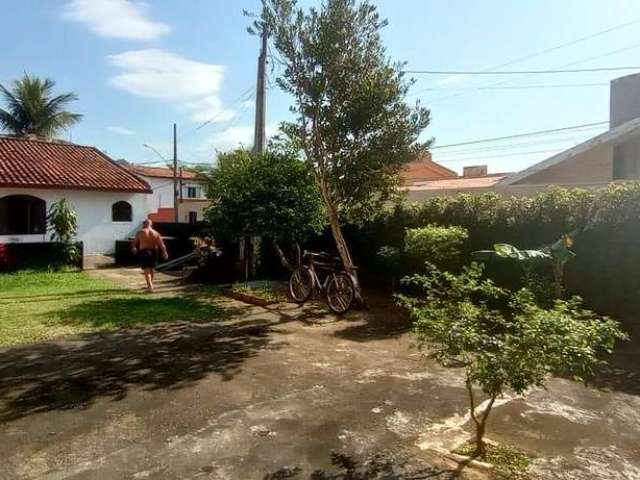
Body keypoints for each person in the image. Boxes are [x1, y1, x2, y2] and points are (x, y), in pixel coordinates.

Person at [131, 219, 168, 291]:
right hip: (154, 251)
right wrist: (165, 252)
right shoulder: (156, 233)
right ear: (151, 225)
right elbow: (162, 245)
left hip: (144, 251)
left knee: (146, 270)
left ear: (144, 224)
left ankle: (150, 286)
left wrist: (134, 248)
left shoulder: (140, 232)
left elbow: (134, 242)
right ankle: (150, 284)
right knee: (151, 269)